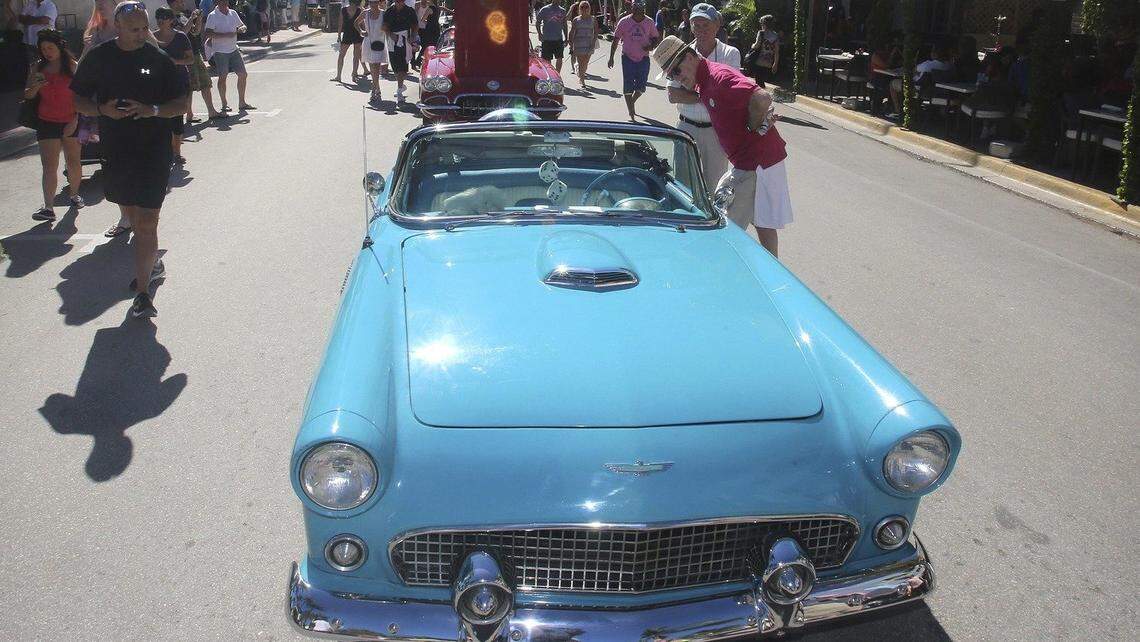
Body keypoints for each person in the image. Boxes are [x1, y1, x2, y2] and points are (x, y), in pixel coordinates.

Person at [71, 1, 188, 318]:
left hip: (153, 149)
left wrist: (152, 110)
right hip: (118, 150)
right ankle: (154, 263)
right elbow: (77, 96)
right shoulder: (99, 57)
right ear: (117, 28)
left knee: (148, 221)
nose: (141, 34)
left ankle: (143, 293)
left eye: (144, 28)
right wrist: (101, 110)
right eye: (134, 29)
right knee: (136, 220)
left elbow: (181, 102)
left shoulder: (158, 60)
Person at [654, 34, 790, 257]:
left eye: (676, 71)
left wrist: (752, 128)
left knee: (724, 229)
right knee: (762, 222)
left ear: (689, 57)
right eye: (671, 75)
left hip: (753, 164)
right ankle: (772, 279)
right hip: (756, 160)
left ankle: (722, 277)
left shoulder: (717, 78)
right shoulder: (706, 80)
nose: (677, 79)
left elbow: (762, 98)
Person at [666, 3, 738, 194]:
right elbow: (673, 95)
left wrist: (693, 93)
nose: (701, 30)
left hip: (715, 131)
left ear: (717, 26)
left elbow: (727, 96)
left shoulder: (729, 54)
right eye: (696, 25)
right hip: (686, 127)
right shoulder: (679, 53)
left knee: (715, 187)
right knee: (683, 185)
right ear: (690, 27)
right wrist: (709, 94)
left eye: (706, 25)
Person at [24, 29, 82, 221]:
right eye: (43, 49)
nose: (47, 52)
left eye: (50, 47)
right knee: (49, 165)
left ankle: (74, 195)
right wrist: (36, 87)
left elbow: (83, 96)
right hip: (46, 120)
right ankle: (48, 207)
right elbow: (28, 95)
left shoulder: (73, 67)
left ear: (60, 47)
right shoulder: (38, 68)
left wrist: (75, 119)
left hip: (70, 120)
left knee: (73, 161)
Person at [168, 0, 219, 122]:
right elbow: (182, 33)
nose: (183, 3)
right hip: (183, 55)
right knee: (189, 86)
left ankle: (211, 111)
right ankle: (189, 114)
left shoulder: (183, 15)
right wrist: (191, 18)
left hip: (195, 52)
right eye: (180, 1)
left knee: (205, 82)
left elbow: (195, 31)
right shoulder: (170, 18)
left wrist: (199, 18)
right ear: (174, 2)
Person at [608, 0, 658, 121]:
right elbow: (615, 40)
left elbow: (655, 37)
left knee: (641, 87)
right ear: (632, 8)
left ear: (643, 9)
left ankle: (632, 101)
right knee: (628, 83)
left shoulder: (649, 22)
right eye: (634, 7)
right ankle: (631, 112)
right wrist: (611, 57)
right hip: (627, 57)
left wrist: (651, 46)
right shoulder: (624, 21)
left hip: (643, 58)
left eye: (639, 8)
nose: (636, 10)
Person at [154, 7, 192, 164]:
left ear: (171, 20)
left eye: (163, 17)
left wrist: (176, 62)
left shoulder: (181, 37)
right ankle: (165, 151)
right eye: (158, 17)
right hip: (158, 85)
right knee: (161, 120)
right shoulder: (151, 37)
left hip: (178, 82)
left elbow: (190, 59)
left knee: (177, 120)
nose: (160, 20)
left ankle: (176, 153)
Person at [205, 0, 253, 113]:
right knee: (223, 77)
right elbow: (208, 33)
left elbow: (242, 26)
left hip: (233, 49)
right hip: (220, 51)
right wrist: (225, 35)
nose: (225, 2)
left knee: (243, 74)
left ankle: (242, 102)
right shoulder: (213, 16)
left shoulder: (232, 13)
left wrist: (242, 28)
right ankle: (224, 104)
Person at [888, 43, 953, 119]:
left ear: (935, 54)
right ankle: (912, 109)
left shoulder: (928, 65)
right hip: (937, 91)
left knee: (893, 83)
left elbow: (913, 70)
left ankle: (898, 111)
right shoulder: (949, 66)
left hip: (919, 89)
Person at [382, 0, 417, 104]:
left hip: (405, 39)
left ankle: (399, 89)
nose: (399, 2)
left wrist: (413, 36)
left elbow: (415, 25)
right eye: (397, 1)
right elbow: (384, 27)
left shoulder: (410, 11)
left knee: (403, 67)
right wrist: (390, 34)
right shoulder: (389, 11)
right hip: (392, 40)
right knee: (395, 67)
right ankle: (400, 85)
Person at [357, 0, 385, 104]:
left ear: (378, 2)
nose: (373, 4)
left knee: (376, 67)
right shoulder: (365, 13)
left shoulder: (383, 13)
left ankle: (374, 90)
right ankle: (377, 89)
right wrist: (361, 31)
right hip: (368, 42)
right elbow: (356, 23)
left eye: (375, 2)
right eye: (371, 2)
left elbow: (388, 25)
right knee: (372, 67)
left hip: (379, 42)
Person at [567, 0, 596, 88]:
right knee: (581, 62)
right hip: (578, 43)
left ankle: (580, 73)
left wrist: (593, 43)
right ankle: (582, 79)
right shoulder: (576, 19)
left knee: (586, 62)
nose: (584, 9)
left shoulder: (593, 19)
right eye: (582, 7)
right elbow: (572, 32)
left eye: (586, 7)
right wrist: (570, 42)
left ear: (589, 8)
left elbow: (596, 33)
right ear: (579, 8)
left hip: (589, 43)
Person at [535, 0, 567, 73]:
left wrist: (566, 38)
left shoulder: (562, 11)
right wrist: (539, 34)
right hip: (547, 39)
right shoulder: (545, 9)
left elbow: (565, 25)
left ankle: (557, 75)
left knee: (559, 58)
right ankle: (550, 74)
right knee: (547, 59)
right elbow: (538, 22)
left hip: (558, 38)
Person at [336, 0, 364, 82]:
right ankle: (354, 74)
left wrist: (338, 36)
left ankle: (339, 76)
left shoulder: (343, 10)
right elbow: (362, 24)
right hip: (356, 34)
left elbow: (340, 24)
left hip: (347, 34)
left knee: (342, 55)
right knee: (355, 56)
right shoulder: (359, 10)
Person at [747, 13, 778, 88]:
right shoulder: (775, 35)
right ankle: (762, 95)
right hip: (769, 62)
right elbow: (777, 51)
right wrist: (775, 64)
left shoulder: (761, 33)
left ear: (764, 24)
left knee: (759, 81)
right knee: (762, 80)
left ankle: (762, 96)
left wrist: (752, 45)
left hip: (759, 61)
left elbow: (756, 45)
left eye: (762, 23)